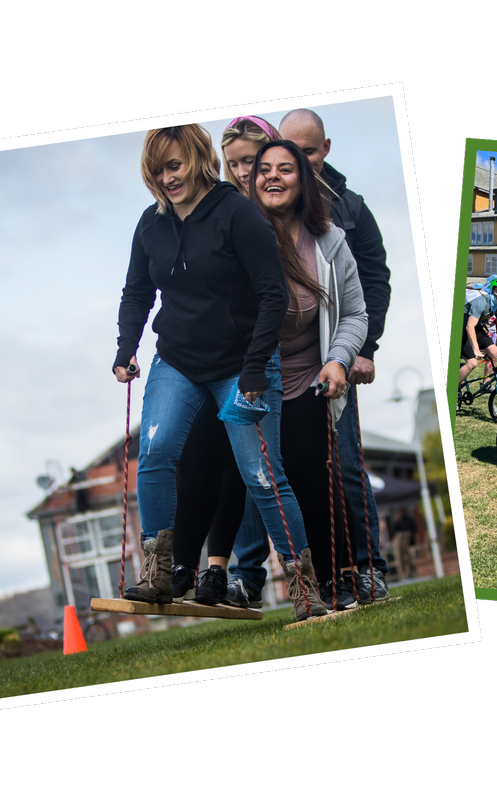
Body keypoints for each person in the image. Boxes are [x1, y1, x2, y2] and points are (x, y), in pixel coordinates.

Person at [111, 125, 329, 619]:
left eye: (174, 166)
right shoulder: (150, 224)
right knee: (155, 453)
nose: (167, 178)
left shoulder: (237, 213)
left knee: (261, 475)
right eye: (157, 170)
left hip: (243, 362)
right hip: (178, 360)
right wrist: (126, 349)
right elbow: (137, 292)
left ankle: (303, 587)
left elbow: (272, 293)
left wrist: (255, 368)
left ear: (196, 158)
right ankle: (158, 572)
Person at [235, 139, 372, 607]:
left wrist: (339, 358)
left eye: (285, 169)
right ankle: (247, 577)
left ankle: (341, 577)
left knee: (312, 471)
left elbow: (354, 313)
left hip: (310, 373)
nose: (272, 176)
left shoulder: (329, 241)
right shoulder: (237, 235)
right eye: (264, 169)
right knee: (262, 479)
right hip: (255, 378)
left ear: (303, 180)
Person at [288, 109, 399, 602]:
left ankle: (370, 568)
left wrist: (363, 349)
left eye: (309, 151)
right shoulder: (266, 206)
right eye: (291, 151)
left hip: (338, 357)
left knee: (348, 465)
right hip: (288, 364)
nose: (300, 161)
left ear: (326, 149)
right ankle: (324, 578)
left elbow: (374, 281)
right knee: (301, 471)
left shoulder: (350, 208)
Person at [458, 277, 497, 385]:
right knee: (472, 363)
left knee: (495, 353)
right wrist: (476, 349)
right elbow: (469, 326)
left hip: (476, 328)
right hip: (461, 329)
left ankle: (486, 383)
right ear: (496, 290)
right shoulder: (481, 300)